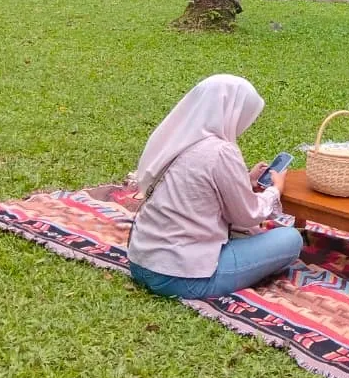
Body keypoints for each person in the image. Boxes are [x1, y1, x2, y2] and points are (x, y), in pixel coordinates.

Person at [127, 74, 304, 298]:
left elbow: (196, 187)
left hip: (140, 262)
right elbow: (247, 215)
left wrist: (245, 181)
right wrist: (274, 190)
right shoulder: (221, 151)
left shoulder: (179, 138)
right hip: (180, 277)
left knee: (252, 236)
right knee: (290, 239)